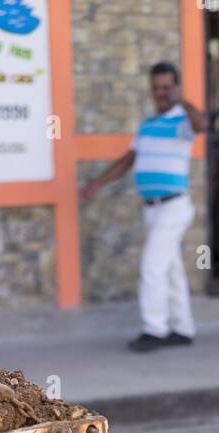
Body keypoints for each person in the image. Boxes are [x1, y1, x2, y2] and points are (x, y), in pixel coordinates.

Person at [81, 62, 208, 352]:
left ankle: (155, 329)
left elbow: (203, 124)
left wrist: (183, 101)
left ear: (175, 87)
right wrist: (97, 183)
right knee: (171, 268)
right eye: (157, 88)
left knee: (152, 265)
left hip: (173, 206)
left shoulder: (183, 121)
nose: (161, 93)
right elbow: (128, 160)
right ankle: (183, 328)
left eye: (166, 87)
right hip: (152, 208)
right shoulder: (148, 124)